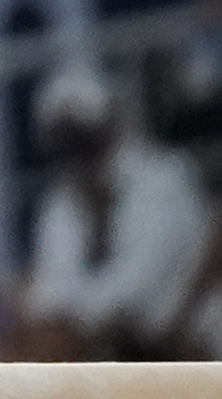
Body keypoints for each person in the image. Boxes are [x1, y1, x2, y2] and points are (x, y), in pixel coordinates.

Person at [10, 65, 203, 356]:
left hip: (175, 340)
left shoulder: (165, 177)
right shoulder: (58, 205)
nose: (75, 157)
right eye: (64, 145)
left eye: (82, 140)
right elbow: (50, 293)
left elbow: (144, 282)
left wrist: (78, 321)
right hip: (95, 346)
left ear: (109, 126)